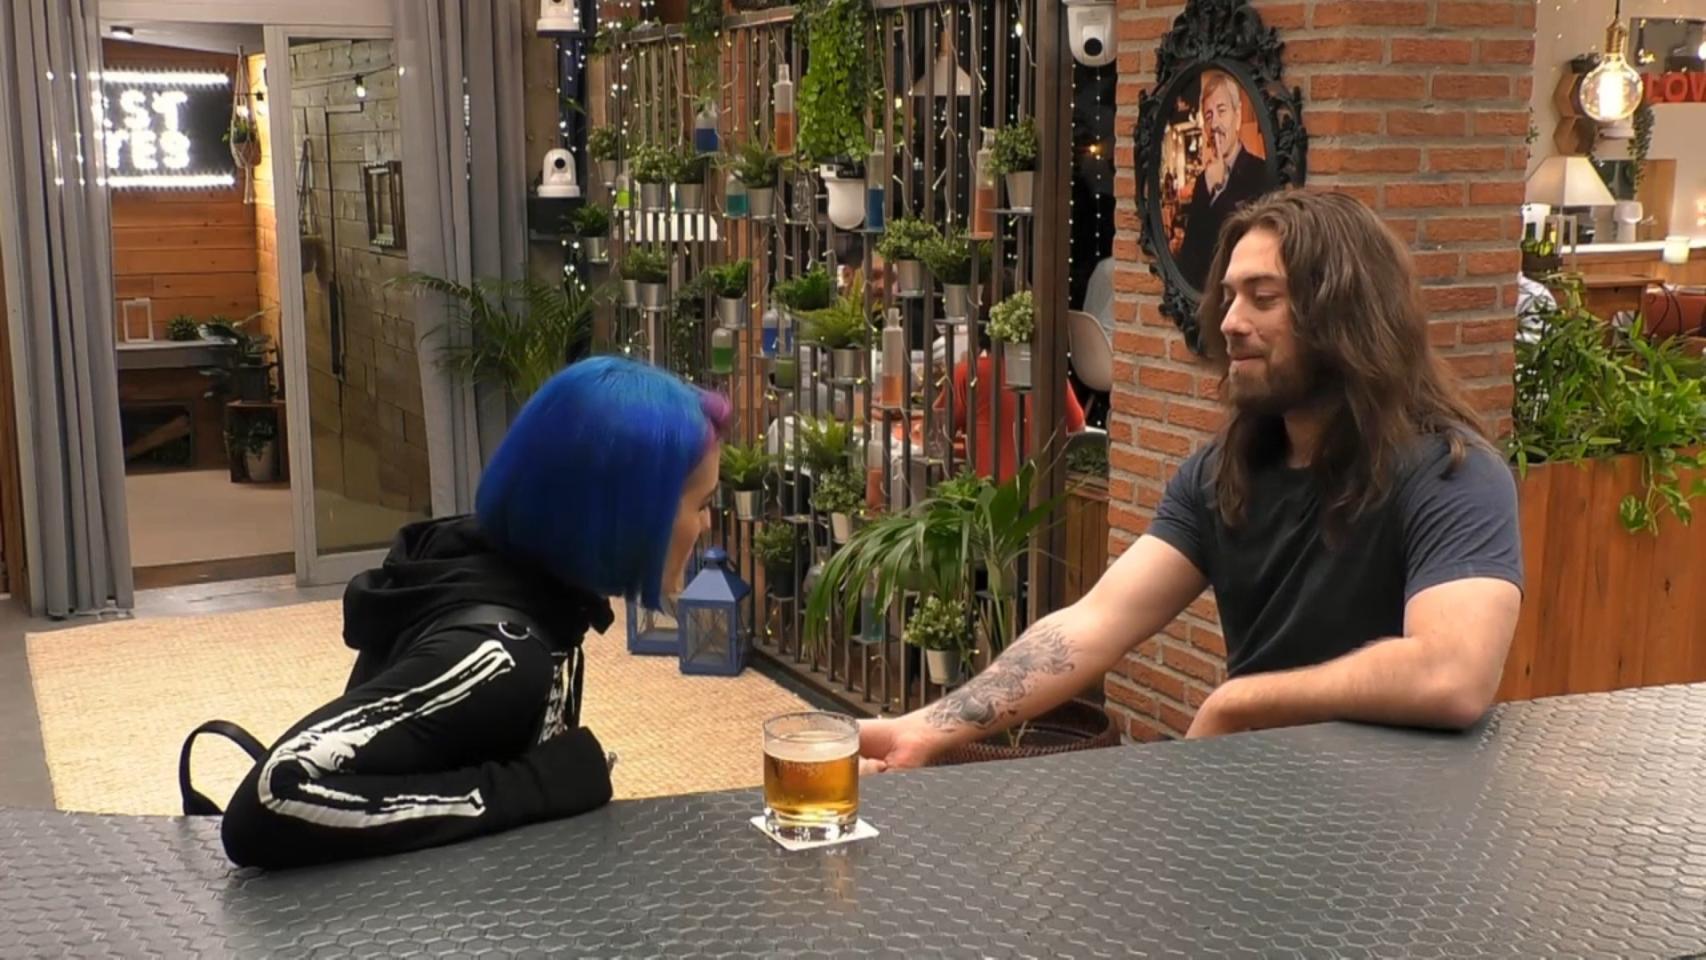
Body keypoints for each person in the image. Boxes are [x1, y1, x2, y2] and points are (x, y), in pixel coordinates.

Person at [860, 190, 1524, 769]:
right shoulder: (1222, 472)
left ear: (1346, 315)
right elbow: (1094, 622)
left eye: (1264, 298)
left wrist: (1241, 701)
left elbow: (1452, 672)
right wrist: (927, 728)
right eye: (1229, 297)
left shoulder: (1452, 475)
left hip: (1400, 827)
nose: (1230, 322)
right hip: (1259, 801)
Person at [217, 357, 729, 869]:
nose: (706, 524)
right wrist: (534, 786)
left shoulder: (536, 588)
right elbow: (271, 796)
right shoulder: (499, 656)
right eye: (700, 503)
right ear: (629, 515)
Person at [1172, 70, 1275, 293]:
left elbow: (1247, 242)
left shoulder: (1260, 172)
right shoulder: (1203, 180)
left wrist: (1218, 192)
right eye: (1208, 116)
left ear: (1237, 117)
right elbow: (1190, 255)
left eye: (1221, 111)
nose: (1215, 124)